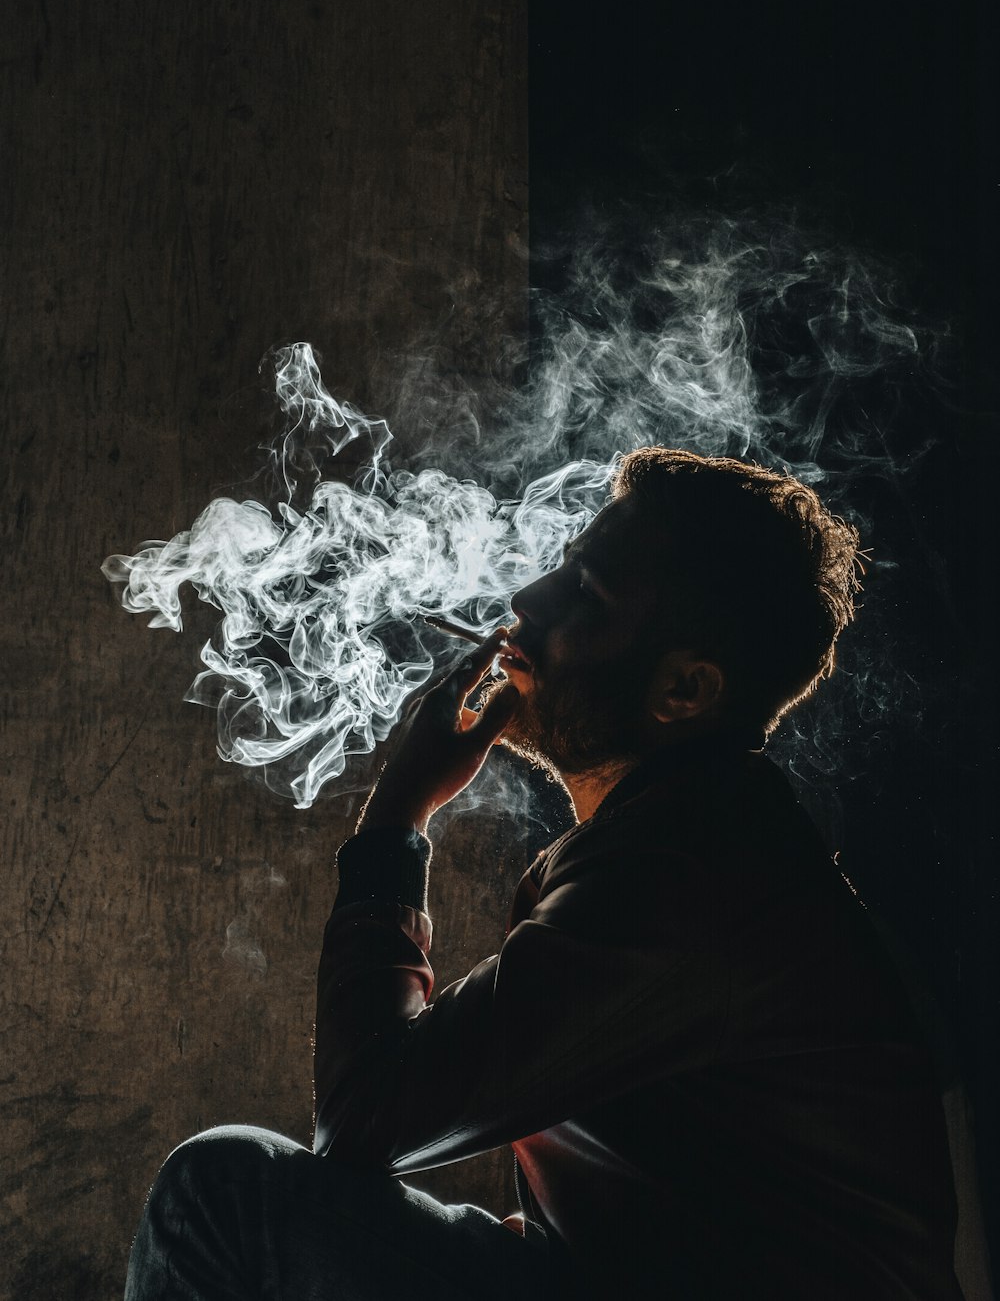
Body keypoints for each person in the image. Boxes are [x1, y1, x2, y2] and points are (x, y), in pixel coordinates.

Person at [125, 448, 964, 1300]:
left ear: (683, 688)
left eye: (587, 596)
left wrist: (397, 817)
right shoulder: (692, 837)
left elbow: (365, 1121)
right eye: (561, 570)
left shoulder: (683, 874)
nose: (529, 603)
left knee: (223, 1195)